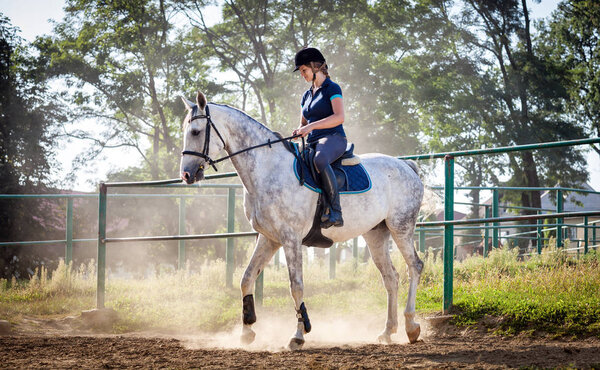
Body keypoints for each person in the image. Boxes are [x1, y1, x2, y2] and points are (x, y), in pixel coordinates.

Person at [292, 47, 346, 228]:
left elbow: (339, 117)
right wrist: (299, 130)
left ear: (315, 67)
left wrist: (310, 126)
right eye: (300, 72)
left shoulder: (332, 88)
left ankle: (336, 211)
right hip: (312, 141)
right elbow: (303, 123)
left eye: (304, 70)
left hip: (334, 138)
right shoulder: (306, 95)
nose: (302, 75)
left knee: (320, 159)